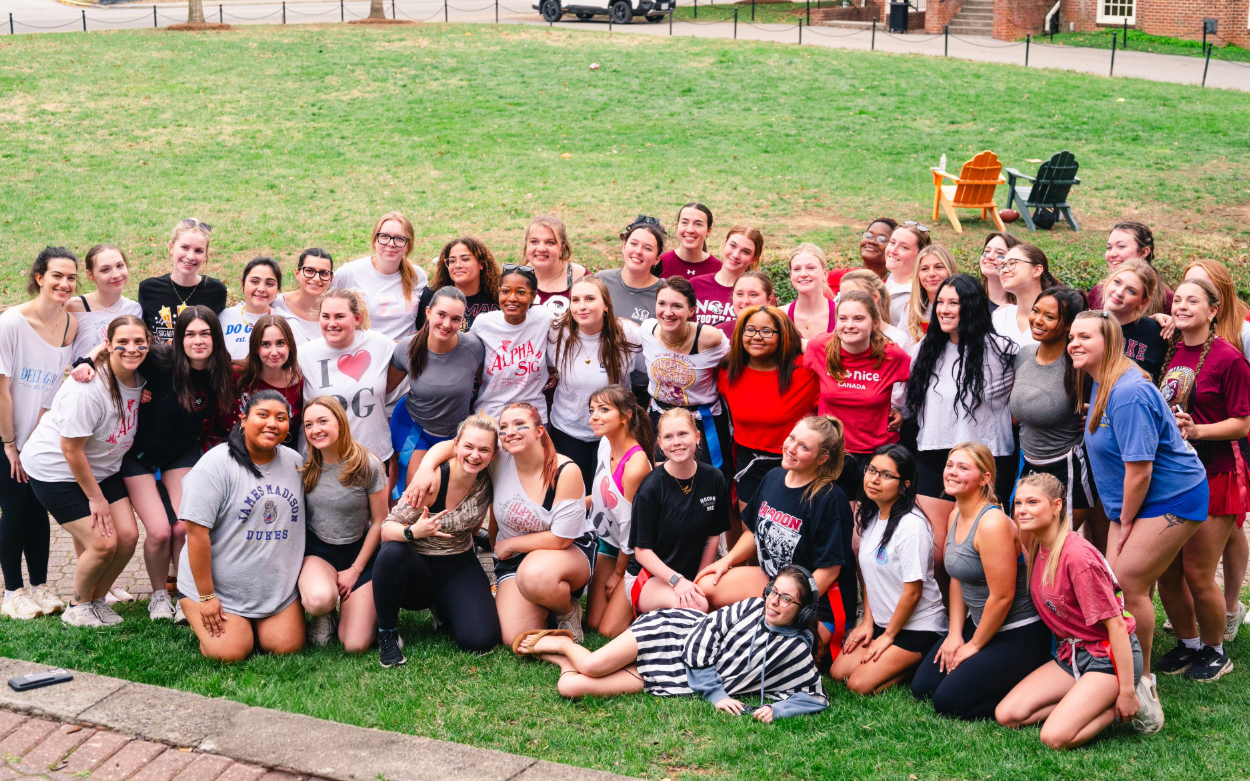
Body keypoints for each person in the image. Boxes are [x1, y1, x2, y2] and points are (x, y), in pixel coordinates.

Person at [1069, 310, 1205, 722]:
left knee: (1128, 583)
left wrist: (1124, 521)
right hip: (1132, 502)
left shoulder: (1128, 392)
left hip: (1171, 497)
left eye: (1085, 337)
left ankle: (1144, 684)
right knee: (1115, 585)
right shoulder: (1099, 381)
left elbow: (1140, 469)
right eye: (1073, 336)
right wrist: (1120, 516)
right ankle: (1120, 670)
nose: (1074, 343)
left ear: (1109, 343)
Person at [71, 307, 235, 622]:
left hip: (181, 454)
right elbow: (118, 346)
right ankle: (159, 596)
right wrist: (86, 360)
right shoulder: (160, 360)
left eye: (205, 334)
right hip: (139, 456)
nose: (198, 341)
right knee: (159, 532)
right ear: (179, 338)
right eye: (190, 334)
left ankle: (186, 596)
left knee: (187, 527)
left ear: (216, 337)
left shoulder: (223, 372)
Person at [513, 565, 828, 723]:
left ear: (803, 611)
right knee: (592, 665)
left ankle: (556, 651)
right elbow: (705, 634)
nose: (774, 602)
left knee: (570, 688)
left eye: (786, 599)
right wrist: (715, 693)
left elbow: (816, 696)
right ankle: (568, 646)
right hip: (670, 635)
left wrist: (778, 708)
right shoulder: (751, 607)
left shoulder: (796, 649)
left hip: (674, 678)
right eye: (773, 591)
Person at [410, 403, 593, 644]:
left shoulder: (565, 470)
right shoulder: (500, 459)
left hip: (565, 553)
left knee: (535, 574)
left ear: (539, 431)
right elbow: (453, 445)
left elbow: (562, 538)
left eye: (520, 424)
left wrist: (509, 544)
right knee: (513, 636)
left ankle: (566, 610)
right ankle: (543, 604)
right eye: (504, 427)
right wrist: (425, 467)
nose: (510, 432)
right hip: (515, 562)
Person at [996, 473, 1149, 746]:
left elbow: (1116, 627)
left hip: (1108, 658)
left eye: (1032, 502)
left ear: (1057, 506)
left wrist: (1126, 691)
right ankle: (1082, 701)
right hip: (1072, 654)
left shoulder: (1077, 557)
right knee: (1007, 715)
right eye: (1018, 503)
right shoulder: (1036, 543)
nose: (1022, 510)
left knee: (1053, 737)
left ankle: (1125, 700)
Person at [21, 315, 147, 627]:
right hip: (57, 469)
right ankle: (76, 606)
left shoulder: (143, 372)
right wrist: (96, 499)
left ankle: (96, 600)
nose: (132, 349)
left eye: (139, 342)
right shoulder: (87, 389)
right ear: (108, 345)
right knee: (103, 544)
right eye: (123, 342)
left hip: (103, 467)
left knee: (129, 537)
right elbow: (70, 450)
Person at [910, 444, 1051, 720]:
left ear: (985, 478)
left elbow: (1002, 597)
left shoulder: (991, 524)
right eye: (950, 465)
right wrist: (954, 634)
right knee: (923, 687)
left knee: (948, 703)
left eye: (963, 468)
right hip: (978, 624)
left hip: (1017, 632)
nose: (952, 472)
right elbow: (957, 578)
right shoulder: (955, 514)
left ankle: (1032, 685)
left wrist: (972, 646)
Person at [1152, 279, 1248, 681]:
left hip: (1216, 474)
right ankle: (1188, 644)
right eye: (1178, 300)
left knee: (1197, 571)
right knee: (1167, 571)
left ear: (1214, 310)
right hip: (1170, 476)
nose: (1183, 306)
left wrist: (1197, 431)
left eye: (1194, 300)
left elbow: (1243, 422)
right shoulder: (1168, 349)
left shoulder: (1228, 358)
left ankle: (1214, 650)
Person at [697, 417, 857, 658]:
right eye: (792, 438)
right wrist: (725, 561)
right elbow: (753, 532)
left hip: (818, 603)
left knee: (766, 654)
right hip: (774, 580)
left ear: (822, 459)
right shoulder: (773, 477)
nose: (791, 448)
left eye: (804, 447)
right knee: (704, 587)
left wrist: (788, 607)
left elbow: (829, 572)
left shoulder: (830, 499)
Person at [177, 391, 306, 662]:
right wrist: (207, 596)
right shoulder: (214, 466)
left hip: (273, 590)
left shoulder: (295, 463)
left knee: (286, 646)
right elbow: (196, 534)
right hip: (219, 588)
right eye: (263, 415)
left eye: (281, 418)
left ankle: (253, 624)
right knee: (232, 652)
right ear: (243, 420)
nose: (272, 423)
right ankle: (195, 607)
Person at [903, 274, 1017, 559]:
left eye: (953, 302)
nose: (943, 309)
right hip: (933, 455)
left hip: (985, 458)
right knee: (937, 552)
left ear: (972, 306)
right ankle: (943, 606)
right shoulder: (925, 350)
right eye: (940, 302)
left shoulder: (1004, 351)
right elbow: (908, 403)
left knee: (979, 551)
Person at [375, 413, 502, 664]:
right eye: (469, 446)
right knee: (392, 552)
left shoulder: (488, 478)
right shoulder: (432, 481)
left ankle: (446, 608)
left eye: (483, 449)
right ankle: (387, 633)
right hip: (417, 568)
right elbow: (386, 529)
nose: (475, 455)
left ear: (493, 454)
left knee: (480, 640)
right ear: (456, 446)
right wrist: (413, 532)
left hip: (458, 564)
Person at [0, 247, 78, 620]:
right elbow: (1, 389)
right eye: (57, 276)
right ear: (39, 278)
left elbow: (50, 390)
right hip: (4, 434)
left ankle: (40, 586)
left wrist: (34, 438)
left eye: (71, 277)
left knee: (37, 508)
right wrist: (11, 444)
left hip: (36, 433)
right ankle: (12, 592)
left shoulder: (70, 325)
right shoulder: (12, 321)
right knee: (14, 507)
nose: (65, 284)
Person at [603, 408, 730, 636]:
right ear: (659, 444)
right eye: (669, 437)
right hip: (650, 575)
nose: (677, 442)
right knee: (608, 631)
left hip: (692, 572)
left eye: (683, 434)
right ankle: (658, 618)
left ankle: (664, 617)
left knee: (703, 601)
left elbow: (713, 536)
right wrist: (677, 581)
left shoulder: (714, 478)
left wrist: (699, 580)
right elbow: (641, 552)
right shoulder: (651, 487)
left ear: (697, 436)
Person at [833, 446, 945, 693]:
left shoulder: (911, 527)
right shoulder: (873, 516)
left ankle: (918, 660)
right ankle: (893, 659)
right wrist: (868, 623)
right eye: (872, 470)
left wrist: (887, 637)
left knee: (858, 685)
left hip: (919, 626)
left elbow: (913, 592)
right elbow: (870, 579)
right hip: (885, 621)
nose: (874, 479)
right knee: (838, 672)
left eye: (886, 475)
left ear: (904, 485)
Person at [1180, 260, 1250, 636]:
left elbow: (1242, 413)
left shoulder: (1238, 340)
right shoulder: (1177, 340)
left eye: (1199, 290)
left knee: (1231, 527)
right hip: (1185, 463)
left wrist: (1202, 432)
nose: (1187, 299)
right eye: (1183, 290)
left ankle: (1227, 610)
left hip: (1228, 451)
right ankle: (1198, 624)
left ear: (1216, 300)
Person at [297, 397, 386, 652]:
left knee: (354, 644)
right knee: (318, 600)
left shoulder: (367, 465)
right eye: (309, 424)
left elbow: (380, 520)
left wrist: (355, 569)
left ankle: (366, 609)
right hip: (319, 550)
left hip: (359, 551)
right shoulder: (308, 462)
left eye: (323, 421)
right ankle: (324, 614)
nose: (316, 430)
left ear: (340, 422)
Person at [805, 290, 910, 501]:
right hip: (832, 451)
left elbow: (915, 390)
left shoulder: (892, 356)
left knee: (868, 522)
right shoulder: (819, 348)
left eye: (859, 318)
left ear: (875, 323)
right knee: (835, 518)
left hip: (876, 454)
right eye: (843, 318)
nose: (849, 325)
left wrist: (900, 410)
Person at [719, 306, 818, 518]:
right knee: (752, 533)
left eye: (766, 331)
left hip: (796, 464)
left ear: (783, 335)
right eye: (750, 330)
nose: (757, 337)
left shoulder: (807, 370)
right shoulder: (728, 370)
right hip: (748, 461)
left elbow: (841, 351)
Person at [1009, 288, 1093, 528]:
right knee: (1027, 551)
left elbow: (1116, 389)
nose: (1038, 320)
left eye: (1049, 316)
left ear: (1068, 325)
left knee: (1056, 549)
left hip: (1067, 467)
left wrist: (1097, 414)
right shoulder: (1024, 355)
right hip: (1027, 464)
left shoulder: (1079, 364)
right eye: (1036, 311)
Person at [547, 278, 641, 488]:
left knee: (609, 495)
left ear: (606, 304)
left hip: (614, 433)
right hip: (568, 430)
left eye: (590, 299)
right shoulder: (557, 333)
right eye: (575, 300)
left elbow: (648, 370)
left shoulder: (629, 334)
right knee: (572, 494)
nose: (582, 306)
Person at [388, 287, 484, 489]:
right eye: (441, 314)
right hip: (415, 427)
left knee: (449, 493)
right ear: (428, 312)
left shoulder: (473, 348)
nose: (447, 324)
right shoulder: (407, 348)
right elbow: (386, 388)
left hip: (456, 433)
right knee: (418, 490)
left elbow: (487, 379)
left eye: (455, 319)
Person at [640, 277, 731, 476]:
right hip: (660, 417)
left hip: (702, 420)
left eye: (677, 306)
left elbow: (739, 363)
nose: (668, 312)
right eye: (662, 304)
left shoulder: (710, 338)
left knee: (707, 480)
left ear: (691, 310)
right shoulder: (647, 330)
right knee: (658, 477)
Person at [584, 385, 653, 637]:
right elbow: (604, 494)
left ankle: (648, 595)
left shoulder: (635, 466)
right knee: (592, 622)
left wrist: (618, 574)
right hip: (607, 542)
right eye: (592, 410)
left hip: (633, 552)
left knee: (608, 630)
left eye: (604, 410)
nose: (594, 416)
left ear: (626, 415)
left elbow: (630, 529)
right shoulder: (605, 443)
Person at [298, 289, 397, 461]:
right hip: (322, 459)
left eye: (340, 316)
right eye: (326, 316)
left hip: (372, 456)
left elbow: (413, 352)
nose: (332, 323)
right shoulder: (303, 354)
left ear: (357, 318)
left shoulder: (379, 344)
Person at [470, 265, 556, 421]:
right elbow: (472, 363)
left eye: (521, 292)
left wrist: (557, 373)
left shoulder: (544, 318)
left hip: (532, 413)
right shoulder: (483, 324)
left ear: (533, 296)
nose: (512, 298)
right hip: (491, 413)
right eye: (505, 291)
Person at [598, 217, 667, 406]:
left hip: (644, 393)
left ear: (657, 258)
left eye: (647, 248)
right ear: (623, 247)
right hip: (599, 385)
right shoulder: (601, 282)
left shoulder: (665, 293)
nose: (638, 251)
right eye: (633, 244)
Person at [331, 212, 429, 341]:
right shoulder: (349, 273)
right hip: (363, 353)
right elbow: (323, 310)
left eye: (400, 239)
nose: (391, 244)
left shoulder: (417, 277)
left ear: (408, 245)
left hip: (403, 355)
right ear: (374, 240)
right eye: (384, 236)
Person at [138, 218, 227, 344]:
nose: (190, 257)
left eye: (198, 251)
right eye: (185, 247)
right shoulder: (149, 290)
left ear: (205, 255)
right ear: (171, 248)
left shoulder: (216, 291)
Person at [233, 315, 305, 448]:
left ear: (290, 346)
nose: (274, 352)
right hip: (232, 448)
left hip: (278, 453)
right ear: (255, 348)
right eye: (265, 344)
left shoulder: (300, 383)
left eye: (280, 343)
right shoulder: (237, 375)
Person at [65, 244, 143, 362]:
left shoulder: (135, 310)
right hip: (85, 378)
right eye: (105, 270)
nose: (116, 275)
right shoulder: (73, 307)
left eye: (120, 266)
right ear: (90, 275)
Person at [218, 257, 305, 359]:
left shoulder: (289, 322)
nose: (261, 289)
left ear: (278, 290)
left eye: (269, 284)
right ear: (243, 284)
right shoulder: (224, 318)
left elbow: (303, 362)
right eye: (255, 282)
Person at [1100, 259, 1170, 382]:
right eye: (1117, 282)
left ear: (1143, 302)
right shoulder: (1085, 323)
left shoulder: (1156, 333)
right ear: (1108, 281)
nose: (1120, 292)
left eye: (1131, 291)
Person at [1086, 221, 1172, 315]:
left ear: (1143, 252)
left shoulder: (1166, 298)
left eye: (1121, 246)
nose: (1112, 254)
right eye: (1109, 247)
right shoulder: (1096, 292)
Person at [414, 237, 500, 332]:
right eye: (452, 261)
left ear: (481, 264)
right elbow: (422, 337)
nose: (457, 265)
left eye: (465, 259)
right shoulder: (432, 296)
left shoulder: (498, 296)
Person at [990, 244, 1062, 348]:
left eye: (1012, 263)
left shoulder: (1059, 316)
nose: (1004, 270)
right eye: (1002, 266)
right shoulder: (999, 316)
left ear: (1037, 270)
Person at [690, 226, 764, 328]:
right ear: (725, 244)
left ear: (754, 259)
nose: (736, 254)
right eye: (733, 246)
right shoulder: (695, 285)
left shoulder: (759, 293)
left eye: (745, 252)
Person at [1182, 259, 1250, 361]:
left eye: (1201, 287)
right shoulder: (1179, 328)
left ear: (1222, 291)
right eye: (1186, 286)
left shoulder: (1245, 334)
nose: (1192, 292)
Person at [525, 215, 585, 315]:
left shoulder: (580, 278)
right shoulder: (515, 277)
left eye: (550, 242)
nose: (541, 248)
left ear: (562, 248)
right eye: (534, 241)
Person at [273, 248, 334, 342]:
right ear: (297, 274)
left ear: (331, 279)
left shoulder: (336, 313)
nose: (317, 278)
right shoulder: (275, 305)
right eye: (309, 271)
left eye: (323, 273)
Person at [840, 269, 912, 348]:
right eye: (843, 298)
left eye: (854, 296)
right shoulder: (842, 337)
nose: (847, 302)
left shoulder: (899, 340)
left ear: (874, 297)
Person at [904, 244, 957, 343]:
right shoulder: (911, 309)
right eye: (924, 269)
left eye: (939, 267)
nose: (931, 274)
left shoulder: (964, 306)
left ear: (950, 270)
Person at [883, 221, 932, 327]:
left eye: (904, 247)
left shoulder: (916, 296)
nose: (893, 250)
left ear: (920, 255)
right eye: (892, 242)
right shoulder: (893, 277)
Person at [827, 218, 898, 290]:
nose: (872, 241)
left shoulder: (891, 289)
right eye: (868, 235)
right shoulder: (836, 277)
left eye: (882, 239)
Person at [658, 203, 720, 280]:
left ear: (708, 231)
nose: (690, 230)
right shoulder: (659, 263)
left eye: (698, 224)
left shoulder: (719, 269)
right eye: (684, 223)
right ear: (677, 226)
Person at [786, 244, 835, 341]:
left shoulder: (841, 315)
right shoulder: (781, 315)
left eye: (811, 268)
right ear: (791, 276)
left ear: (825, 274)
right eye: (797, 269)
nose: (803, 274)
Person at [715, 270, 777, 339]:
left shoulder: (779, 331)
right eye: (740, 294)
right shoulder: (719, 332)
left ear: (768, 300)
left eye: (753, 295)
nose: (745, 301)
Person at [977, 232, 1019, 313]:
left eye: (1000, 253)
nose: (989, 256)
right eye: (987, 251)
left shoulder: (1024, 308)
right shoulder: (969, 299)